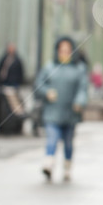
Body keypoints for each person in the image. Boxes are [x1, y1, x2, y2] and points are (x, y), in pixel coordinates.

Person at [34, 37, 88, 182]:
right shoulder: (50, 67)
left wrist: (79, 101)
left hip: (70, 113)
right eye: (62, 50)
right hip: (52, 112)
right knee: (52, 138)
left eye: (67, 50)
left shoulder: (79, 69)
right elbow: (39, 84)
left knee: (68, 142)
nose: (64, 53)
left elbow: (82, 89)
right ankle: (49, 165)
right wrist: (47, 92)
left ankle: (67, 167)